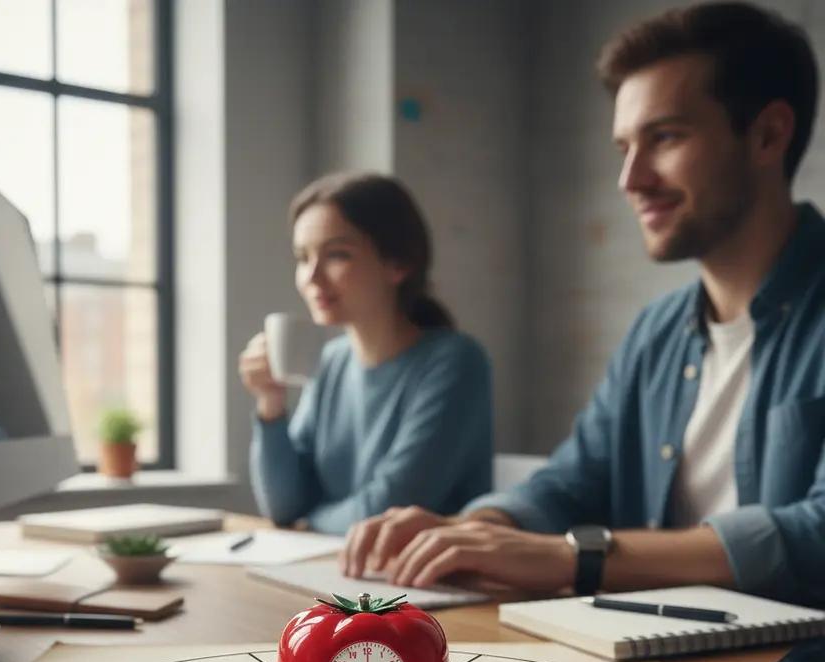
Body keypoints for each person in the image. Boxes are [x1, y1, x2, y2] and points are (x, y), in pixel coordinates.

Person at [342, 1, 825, 608]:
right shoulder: (658, 331)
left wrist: (572, 557)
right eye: (624, 146)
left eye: (665, 137)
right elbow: (576, 480)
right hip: (653, 656)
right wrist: (483, 528)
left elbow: (817, 532)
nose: (630, 179)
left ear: (768, 134)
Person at [239, 172, 495, 535]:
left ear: (398, 263)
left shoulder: (456, 363)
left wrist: (309, 521)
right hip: (342, 570)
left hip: (430, 583)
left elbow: (389, 506)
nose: (311, 277)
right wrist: (270, 404)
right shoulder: (332, 361)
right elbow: (283, 507)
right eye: (302, 257)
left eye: (336, 255)